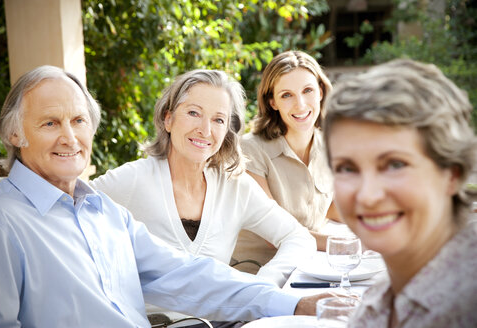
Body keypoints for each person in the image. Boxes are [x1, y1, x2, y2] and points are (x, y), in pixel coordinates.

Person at [0, 65, 328, 328]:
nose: (70, 137)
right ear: (15, 133)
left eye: (78, 120)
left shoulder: (103, 211)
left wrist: (293, 304)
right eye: (50, 123)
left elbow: (186, 275)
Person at [90, 68, 316, 288]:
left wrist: (263, 283)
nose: (205, 130)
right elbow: (66, 208)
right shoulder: (133, 179)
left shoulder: (235, 186)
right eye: (193, 113)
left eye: (218, 120)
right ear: (168, 119)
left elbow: (297, 237)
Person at [323, 59, 477, 327]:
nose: (368, 196)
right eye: (347, 168)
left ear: (451, 173)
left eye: (395, 165)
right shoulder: (376, 302)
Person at [232, 50, 340, 276]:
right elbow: (277, 233)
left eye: (307, 90)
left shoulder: (331, 146)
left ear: (320, 91)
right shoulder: (250, 150)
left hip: (311, 268)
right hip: (259, 275)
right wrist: (347, 245)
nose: (300, 105)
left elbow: (328, 207)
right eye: (287, 95)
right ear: (272, 102)